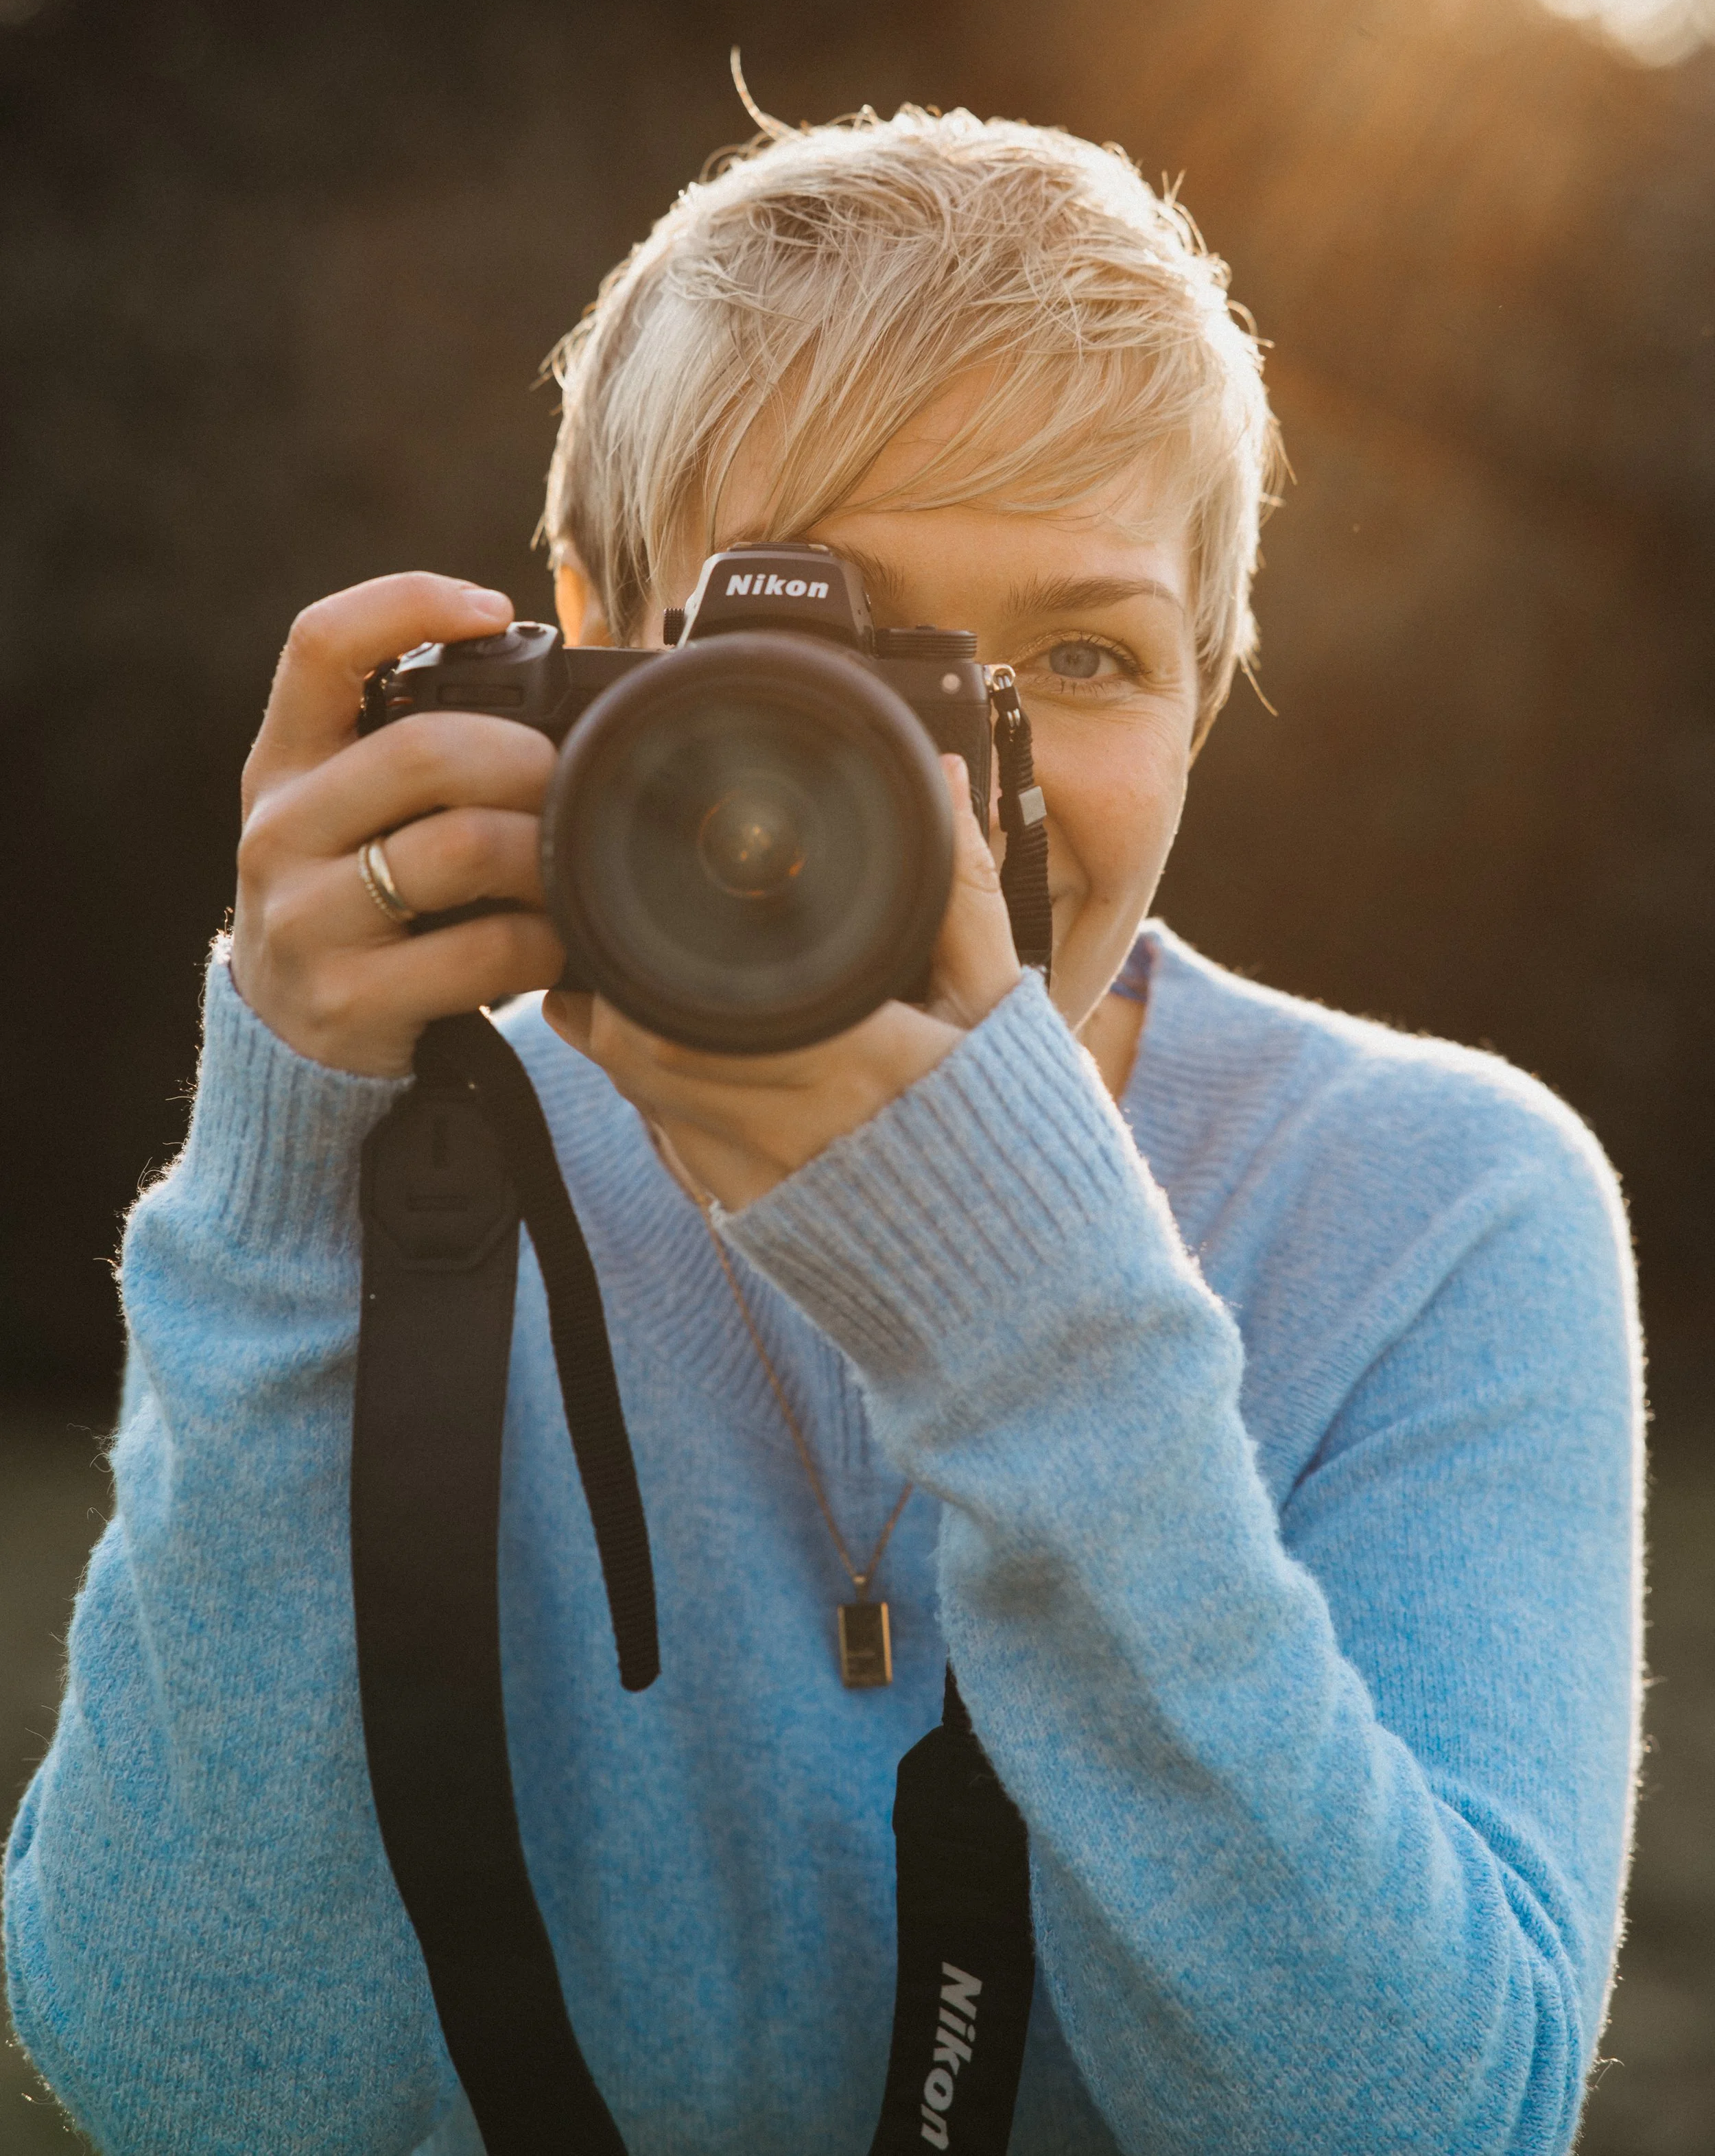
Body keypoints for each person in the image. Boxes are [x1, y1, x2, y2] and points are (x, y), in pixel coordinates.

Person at [3, 106, 1640, 2156]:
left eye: (1080, 654)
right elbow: (205, 2082)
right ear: (594, 642)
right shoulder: (422, 1159)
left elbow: (1423, 2125)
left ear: (1205, 697)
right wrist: (276, 1180)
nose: (944, 776)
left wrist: (1022, 1289)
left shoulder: (1430, 1199)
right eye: (826, 640)